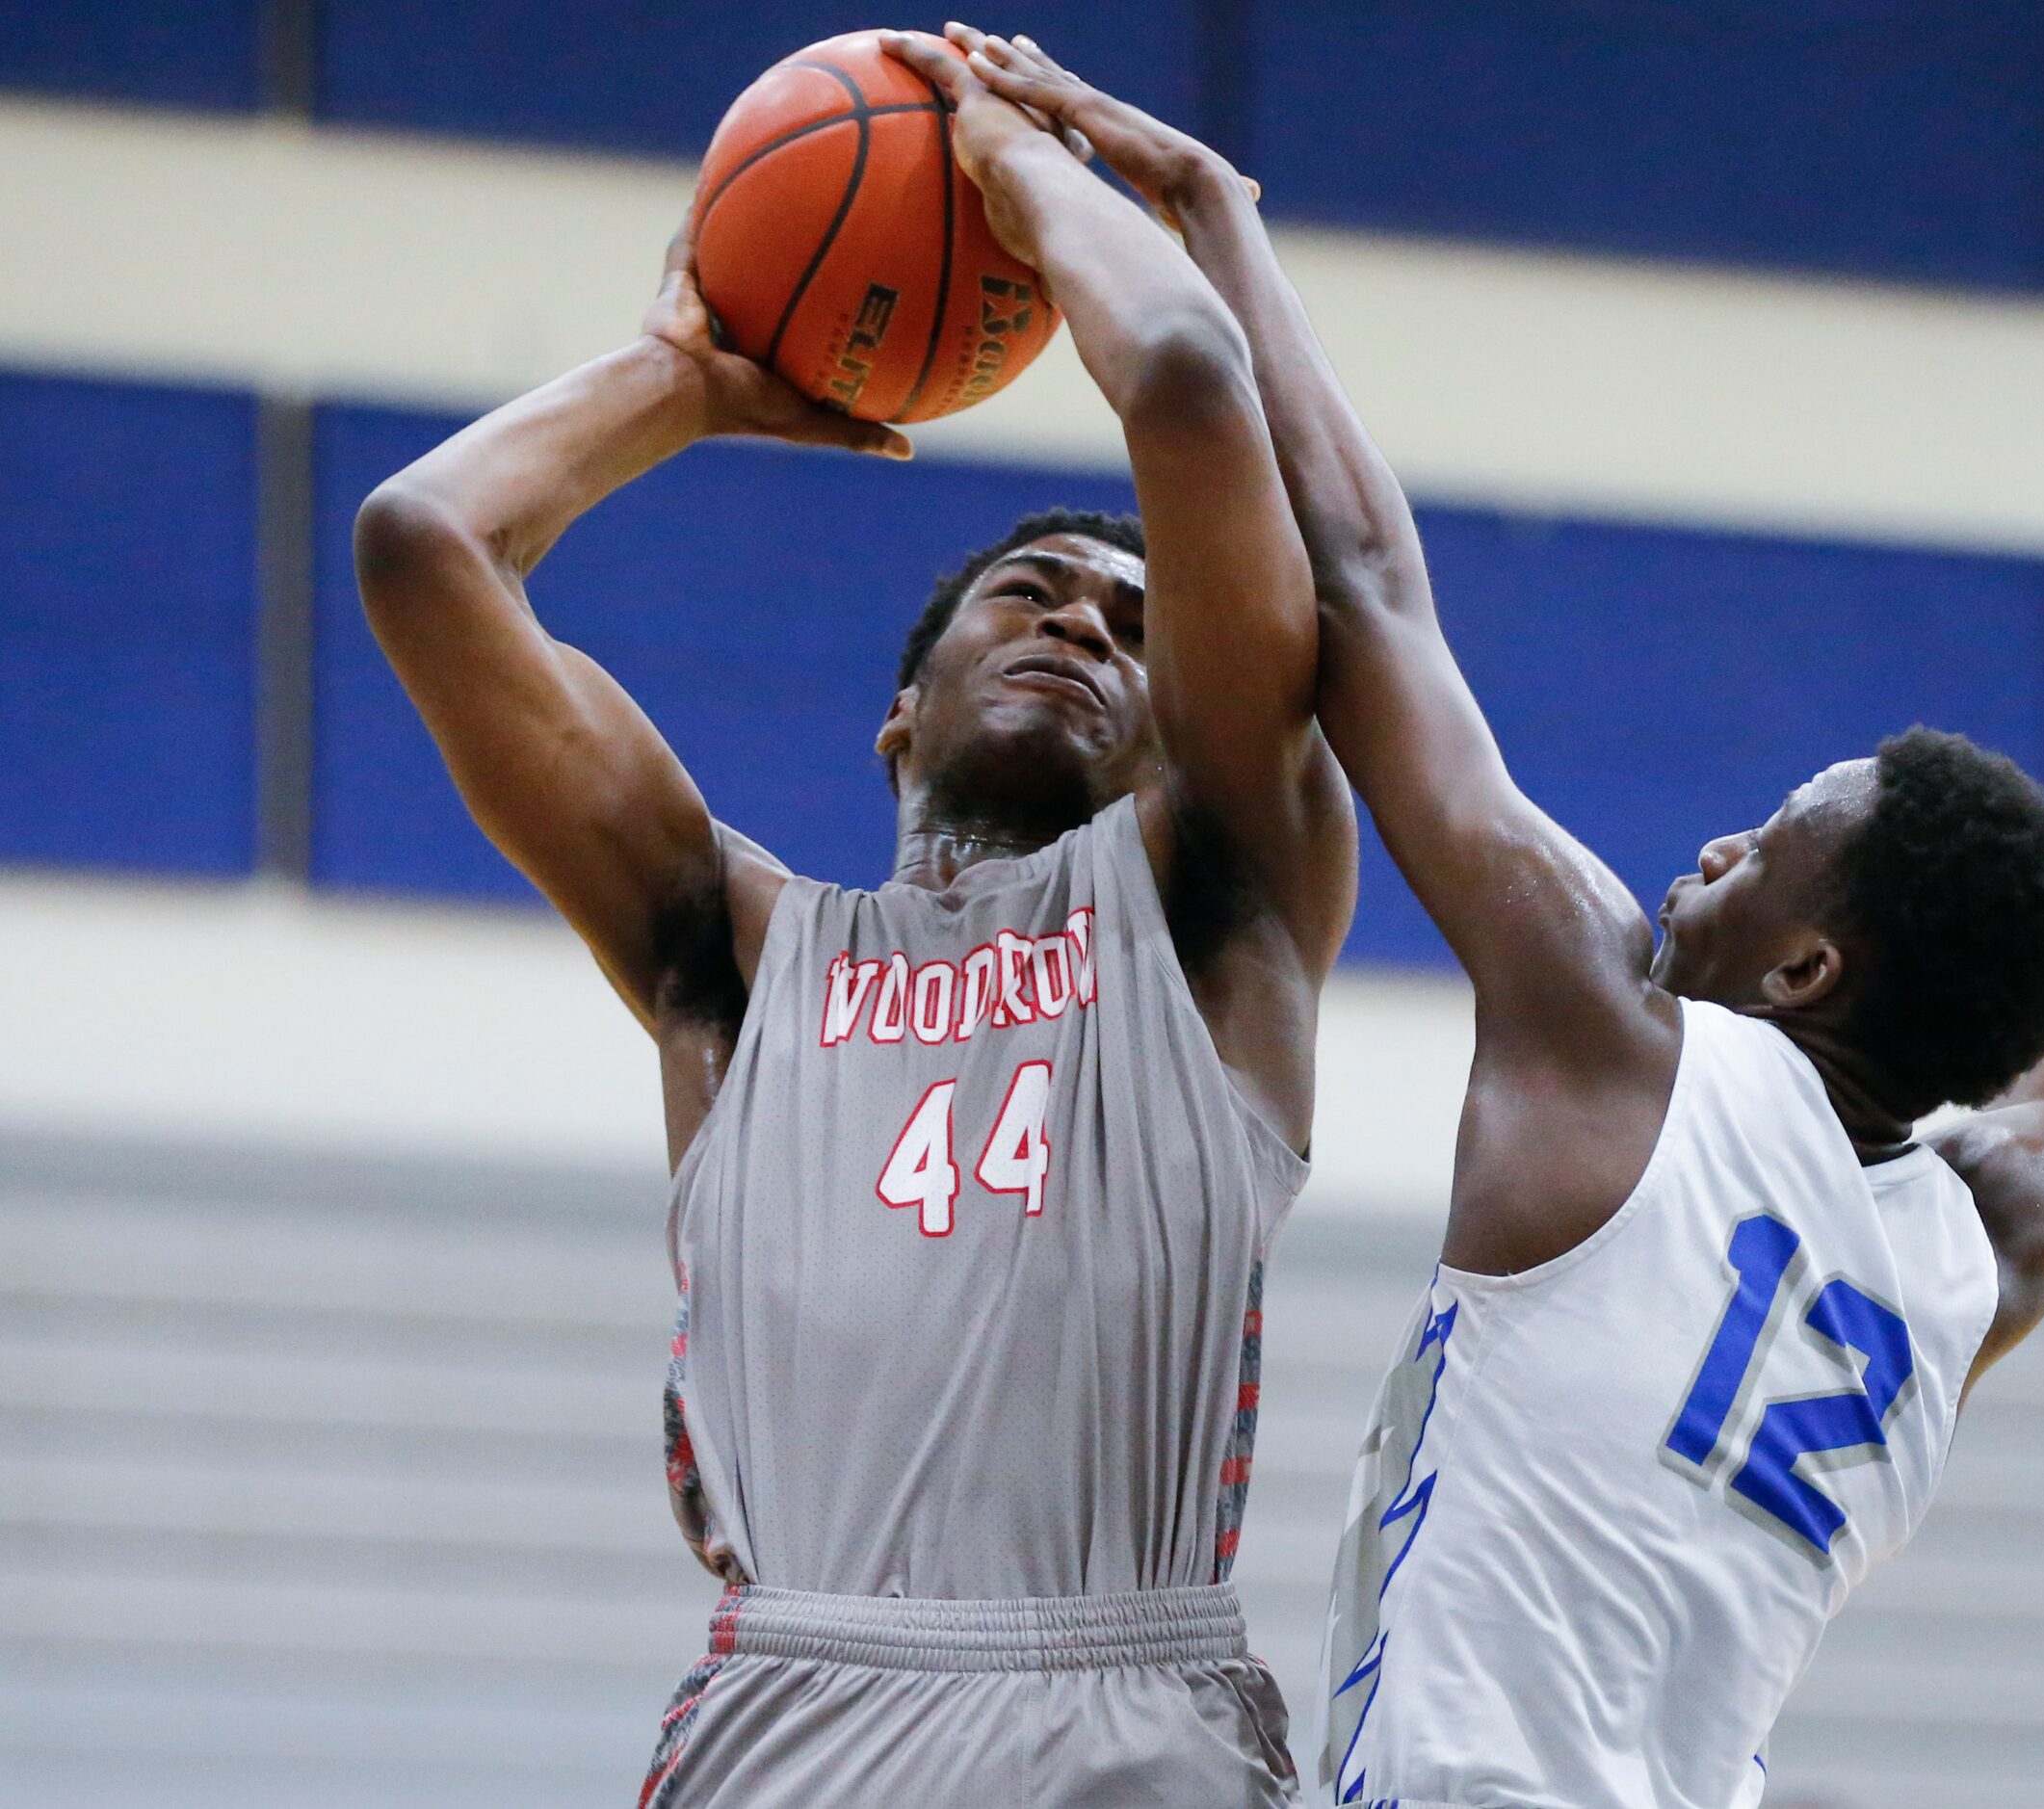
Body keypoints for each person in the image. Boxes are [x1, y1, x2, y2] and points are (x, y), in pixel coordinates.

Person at [949, 30, 2044, 1809]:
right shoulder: (1985, 1233)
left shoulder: (1616, 1044)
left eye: (1763, 841)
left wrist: (1219, 220)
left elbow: (1367, 589)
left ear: (1805, 967)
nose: (1705, 848)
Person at [351, 31, 1354, 1807]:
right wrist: (678, 371)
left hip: (1125, 1700)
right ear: (900, 714)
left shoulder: (1217, 907)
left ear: (1165, 744)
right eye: (1029, 598)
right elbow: (427, 542)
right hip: (794, 1714)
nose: (1084, 629)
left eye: (1131, 625)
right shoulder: (732, 953)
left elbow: (1189, 384)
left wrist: (1022, 180)